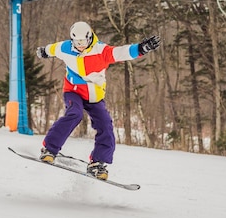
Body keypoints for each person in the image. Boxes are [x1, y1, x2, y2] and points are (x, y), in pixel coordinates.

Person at [35, 21, 161, 180]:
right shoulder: (65, 47)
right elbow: (51, 49)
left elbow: (121, 52)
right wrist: (43, 51)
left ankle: (98, 163)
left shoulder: (101, 50)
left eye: (83, 41)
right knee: (74, 114)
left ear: (90, 38)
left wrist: (141, 48)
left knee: (106, 125)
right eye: (77, 42)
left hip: (95, 96)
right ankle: (49, 149)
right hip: (73, 90)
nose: (80, 45)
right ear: (72, 40)